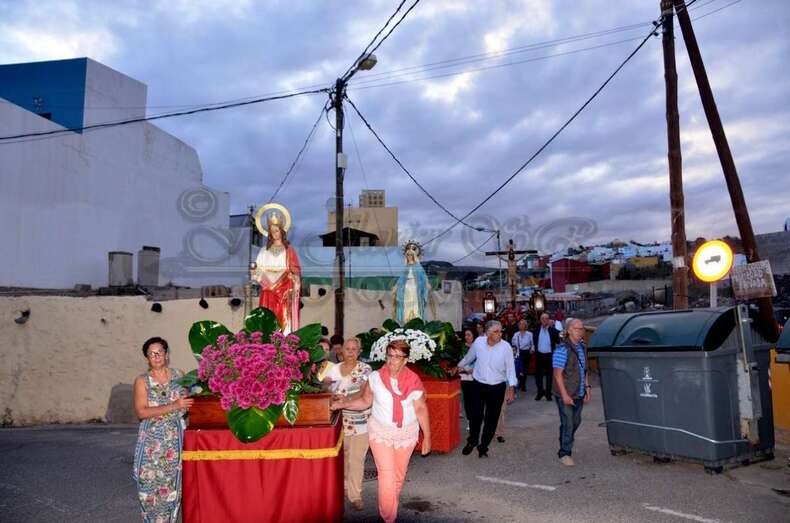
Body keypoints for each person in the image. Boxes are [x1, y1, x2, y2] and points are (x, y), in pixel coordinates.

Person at [330, 340, 431, 523]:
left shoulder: (413, 380)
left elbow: (420, 409)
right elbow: (365, 401)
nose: (392, 360)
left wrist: (428, 438)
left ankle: (390, 506)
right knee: (386, 476)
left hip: (406, 434)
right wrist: (343, 404)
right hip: (380, 433)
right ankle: (388, 517)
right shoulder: (375, 377)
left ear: (405, 360)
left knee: (398, 477)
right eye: (389, 355)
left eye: (397, 357)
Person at [133, 337, 193, 523]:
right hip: (152, 440)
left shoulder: (179, 375)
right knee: (149, 485)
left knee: (172, 487)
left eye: (160, 352)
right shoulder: (142, 381)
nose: (156, 356)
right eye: (152, 354)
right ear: (147, 358)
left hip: (175, 439)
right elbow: (142, 412)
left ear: (166, 354)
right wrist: (174, 405)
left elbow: (187, 404)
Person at [456, 320, 517, 457]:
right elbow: (468, 358)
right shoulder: (478, 343)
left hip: (497, 387)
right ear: (488, 333)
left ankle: (483, 446)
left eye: (500, 331)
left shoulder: (506, 347)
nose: (500, 334)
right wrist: (458, 366)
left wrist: (511, 388)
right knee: (475, 415)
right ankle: (472, 441)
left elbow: (510, 369)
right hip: (478, 385)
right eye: (496, 331)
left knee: (492, 419)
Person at [325, 337, 373, 511]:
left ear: (359, 352)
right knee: (343, 456)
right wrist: (327, 388)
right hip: (338, 420)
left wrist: (345, 399)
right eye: (348, 349)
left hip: (361, 420)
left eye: (354, 349)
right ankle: (344, 487)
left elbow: (363, 392)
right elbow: (323, 390)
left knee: (356, 459)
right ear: (341, 351)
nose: (351, 352)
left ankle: (355, 495)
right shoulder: (332, 369)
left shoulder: (365, 369)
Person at [251, 209, 301, 334]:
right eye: (272, 231)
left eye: (277, 231)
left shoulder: (289, 250)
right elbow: (257, 270)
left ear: (282, 231)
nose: (274, 234)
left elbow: (295, 270)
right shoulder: (264, 250)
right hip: (268, 290)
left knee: (283, 318)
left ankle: (284, 336)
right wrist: (255, 272)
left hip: (284, 289)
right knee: (268, 316)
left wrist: (294, 277)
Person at [553, 318, 591, 466]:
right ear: (568, 330)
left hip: (579, 392)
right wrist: (564, 395)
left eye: (582, 329)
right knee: (568, 423)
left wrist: (587, 387)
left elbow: (584, 370)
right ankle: (565, 453)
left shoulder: (582, 347)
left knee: (575, 421)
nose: (580, 331)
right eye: (576, 328)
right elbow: (557, 374)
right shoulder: (562, 349)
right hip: (566, 393)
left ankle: (564, 438)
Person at [394, 241, 431, 324]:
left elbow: (423, 276)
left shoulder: (418, 266)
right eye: (408, 255)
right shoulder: (406, 267)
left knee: (415, 303)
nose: (409, 256)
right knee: (406, 303)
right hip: (406, 288)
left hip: (415, 287)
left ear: (414, 255)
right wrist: (396, 286)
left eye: (411, 255)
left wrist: (427, 283)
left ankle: (416, 319)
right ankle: (406, 320)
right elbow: (401, 279)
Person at [532, 313, 560, 401]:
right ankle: (540, 393)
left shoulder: (553, 331)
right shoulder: (536, 330)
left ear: (548, 320)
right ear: (540, 320)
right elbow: (533, 342)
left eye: (546, 318)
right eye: (543, 319)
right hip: (539, 355)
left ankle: (548, 393)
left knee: (549, 375)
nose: (544, 320)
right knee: (538, 375)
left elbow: (559, 340)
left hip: (549, 355)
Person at [512, 319, 534, 392]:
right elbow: (513, 344)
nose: (521, 325)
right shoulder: (516, 334)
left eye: (523, 324)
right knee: (519, 369)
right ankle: (521, 382)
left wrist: (532, 350)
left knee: (525, 370)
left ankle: (523, 384)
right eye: (520, 324)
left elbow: (532, 344)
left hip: (526, 353)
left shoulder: (529, 334)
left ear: (525, 326)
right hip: (518, 353)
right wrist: (514, 351)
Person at [459, 328, 476, 421]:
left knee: (475, 399)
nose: (467, 337)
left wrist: (473, 368)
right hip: (464, 376)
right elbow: (461, 359)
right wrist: (466, 368)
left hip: (475, 376)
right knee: (467, 399)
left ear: (473, 335)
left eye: (469, 335)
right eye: (465, 335)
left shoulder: (477, 346)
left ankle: (474, 418)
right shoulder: (461, 347)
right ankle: (469, 419)